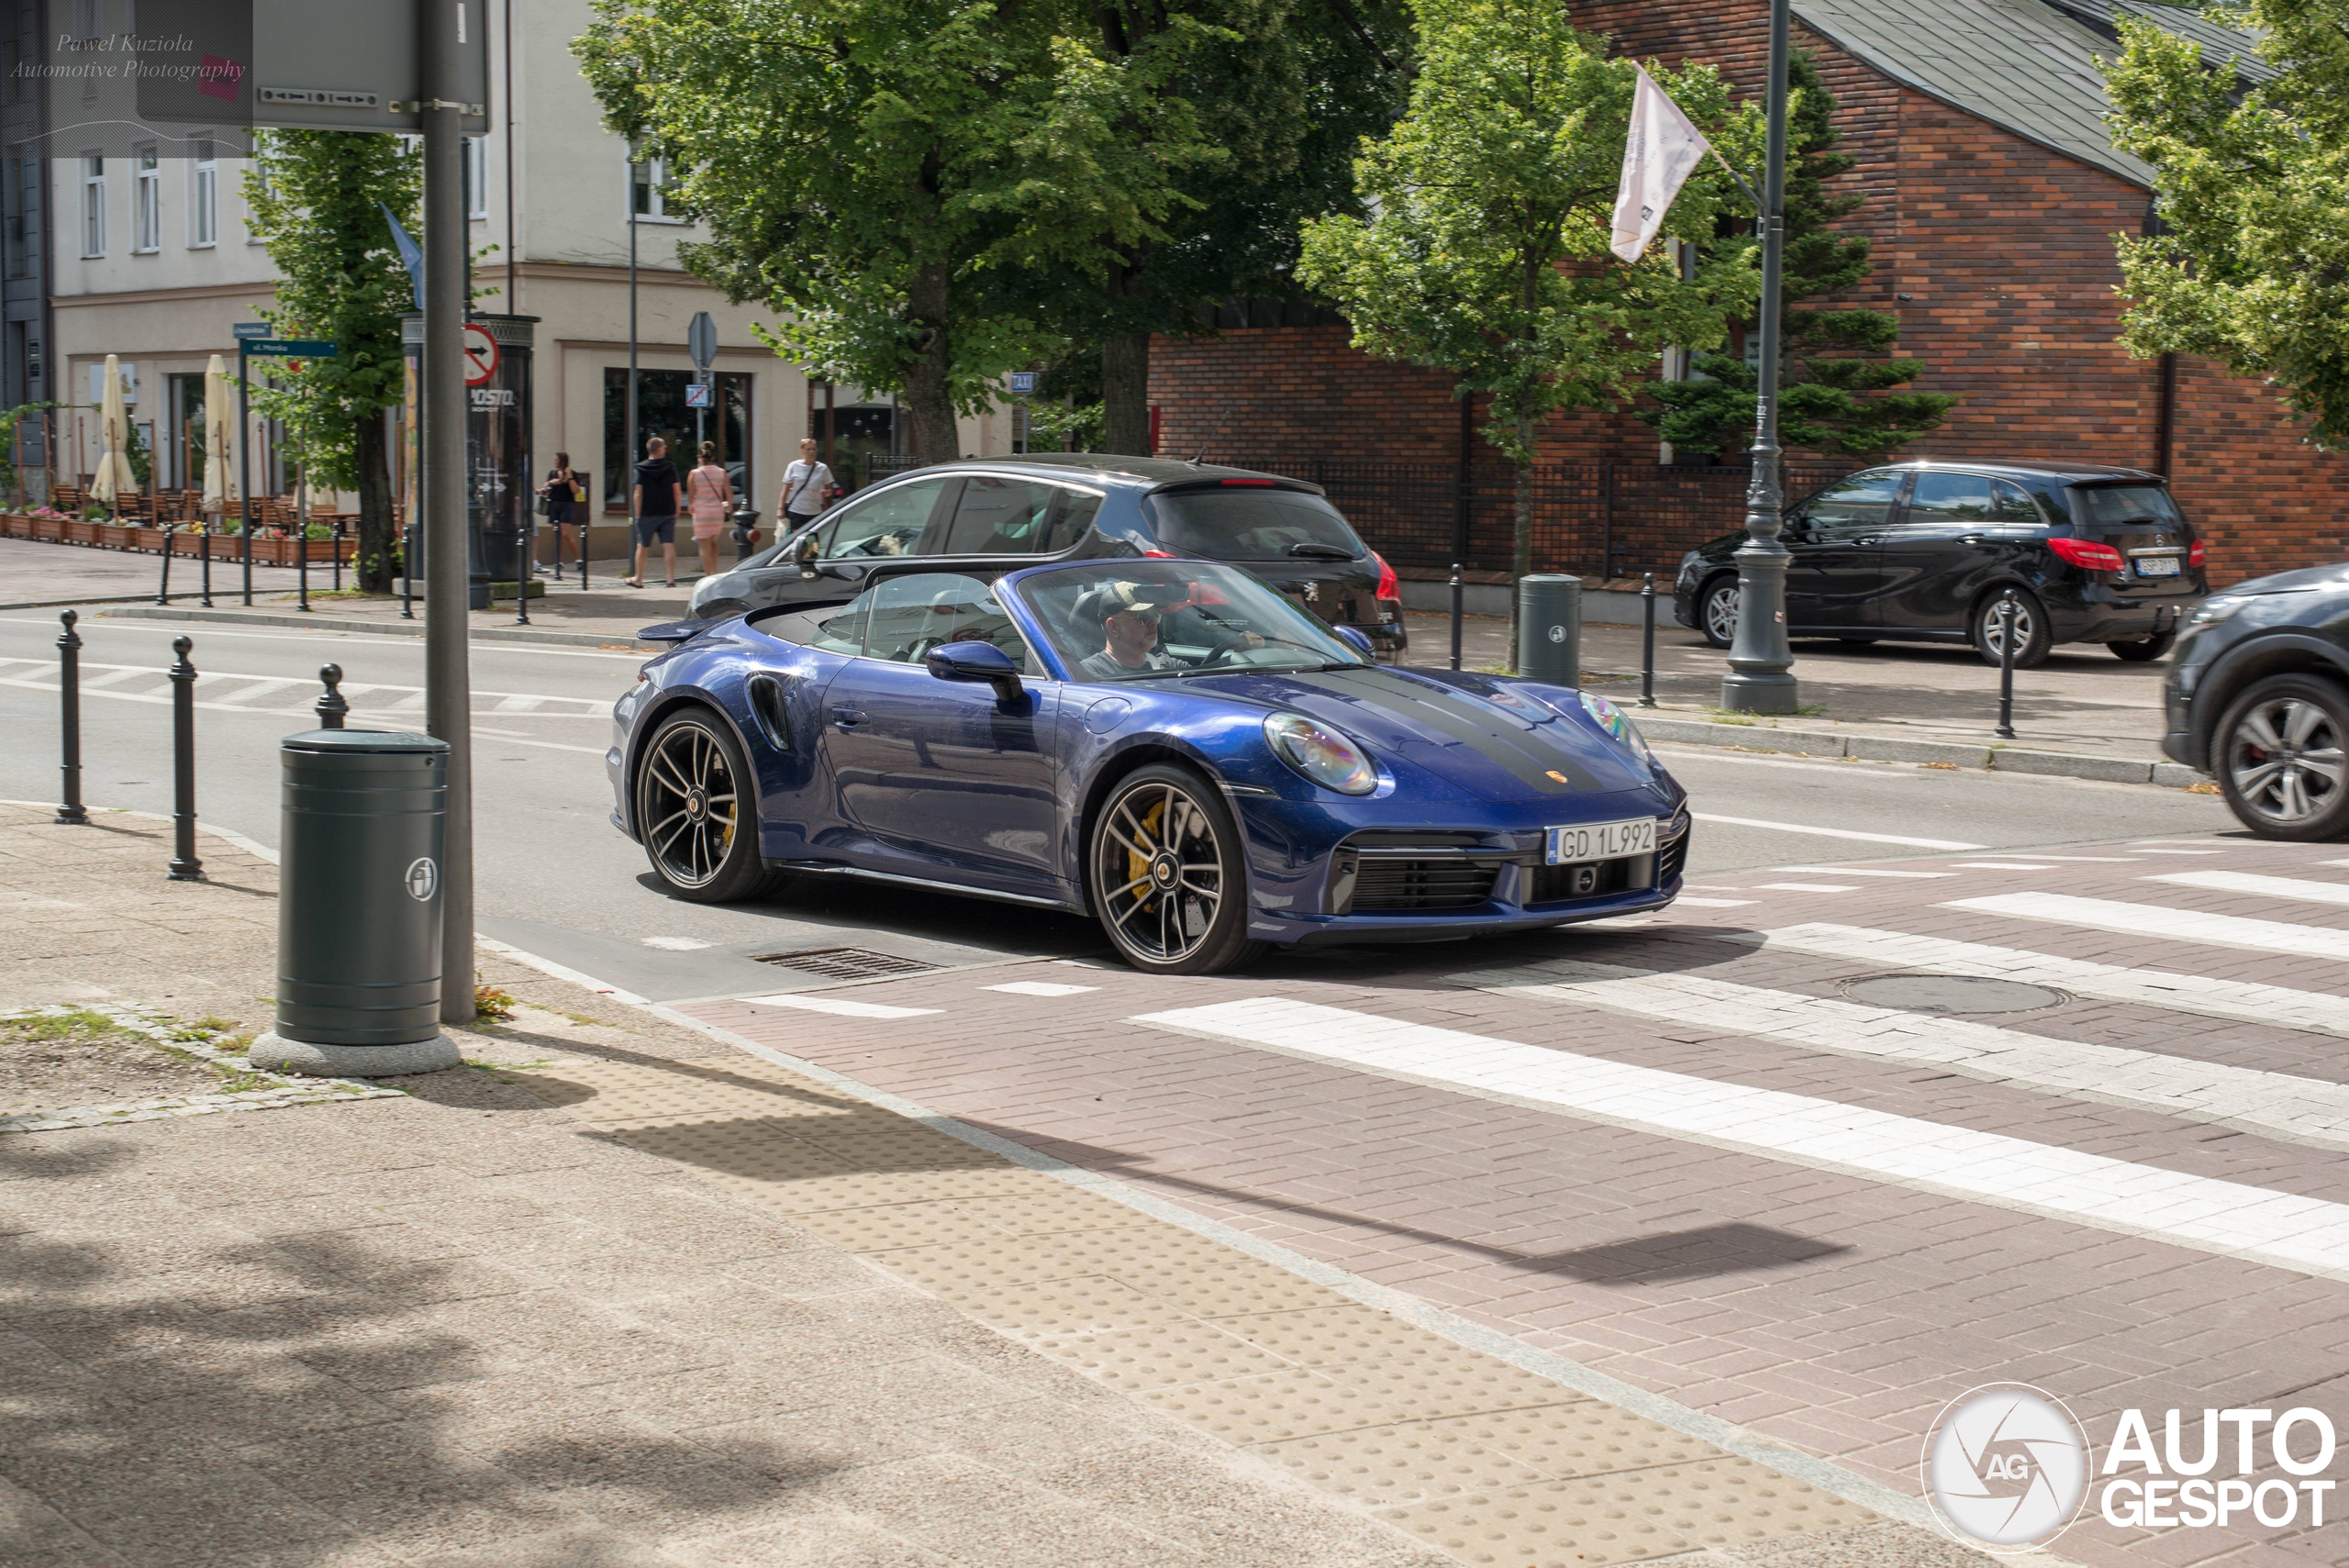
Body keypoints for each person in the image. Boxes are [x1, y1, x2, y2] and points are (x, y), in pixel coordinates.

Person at [628, 436, 680, 589]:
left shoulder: (641, 468)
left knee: (642, 546)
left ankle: (639, 579)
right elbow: (676, 490)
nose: (665, 449)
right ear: (659, 449)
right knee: (668, 544)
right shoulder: (670, 467)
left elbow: (638, 492)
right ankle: (670, 578)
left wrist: (638, 512)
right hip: (667, 511)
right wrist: (677, 508)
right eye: (664, 447)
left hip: (647, 513)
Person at [685, 439, 734, 580]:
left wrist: (692, 505)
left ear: (700, 457)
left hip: (701, 512)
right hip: (717, 512)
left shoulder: (694, 473)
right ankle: (715, 574)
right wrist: (728, 506)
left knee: (704, 546)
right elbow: (729, 494)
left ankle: (707, 577)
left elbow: (691, 496)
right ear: (713, 457)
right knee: (713, 543)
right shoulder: (722, 472)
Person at [776, 436, 834, 539]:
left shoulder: (822, 468)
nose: (811, 452)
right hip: (796, 510)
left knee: (812, 541)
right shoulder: (793, 466)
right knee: (798, 540)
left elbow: (830, 490)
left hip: (815, 511)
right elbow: (785, 489)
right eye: (808, 449)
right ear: (802, 451)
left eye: (814, 449)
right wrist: (780, 509)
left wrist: (827, 492)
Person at [537, 451, 579, 575]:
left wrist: (569, 477)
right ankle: (559, 562)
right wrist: (550, 483)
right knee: (557, 534)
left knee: (566, 534)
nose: (554, 461)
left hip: (567, 505)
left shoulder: (572, 473)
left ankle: (578, 560)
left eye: (556, 459)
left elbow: (575, 491)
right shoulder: (552, 474)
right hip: (554, 505)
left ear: (562, 460)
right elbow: (545, 488)